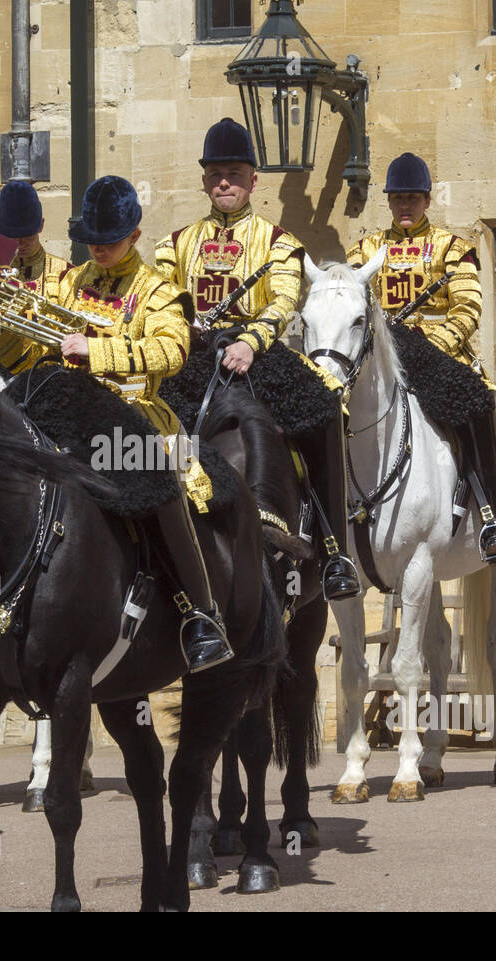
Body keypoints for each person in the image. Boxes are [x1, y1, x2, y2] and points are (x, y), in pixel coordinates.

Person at [156, 117, 360, 599]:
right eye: (215, 174)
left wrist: (251, 341)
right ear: (204, 180)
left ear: (253, 180)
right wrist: (180, 330)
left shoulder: (280, 243)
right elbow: (161, 295)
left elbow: (284, 299)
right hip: (191, 355)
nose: (224, 182)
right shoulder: (174, 243)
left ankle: (335, 550)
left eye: (234, 173)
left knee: (326, 403)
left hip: (257, 354)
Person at [58, 175, 232, 671]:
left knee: (157, 480)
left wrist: (97, 351)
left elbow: (171, 351)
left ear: (134, 236)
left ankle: (202, 615)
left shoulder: (159, 290)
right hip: (71, 407)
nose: (99, 249)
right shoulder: (71, 281)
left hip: (137, 413)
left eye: (109, 241)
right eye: (92, 239)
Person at [349, 152, 496, 563]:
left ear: (426, 201)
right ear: (388, 202)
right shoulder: (365, 249)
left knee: (474, 403)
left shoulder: (453, 248)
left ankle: (491, 517)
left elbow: (468, 308)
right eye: (398, 198)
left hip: (439, 356)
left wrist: (429, 345)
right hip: (383, 360)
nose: (405, 205)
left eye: (413, 197)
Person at [0, 179, 70, 369]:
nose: (20, 245)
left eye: (28, 238)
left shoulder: (66, 274)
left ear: (41, 226)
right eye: (12, 239)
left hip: (50, 376)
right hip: (0, 375)